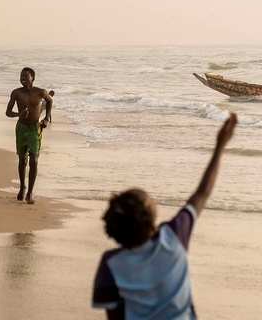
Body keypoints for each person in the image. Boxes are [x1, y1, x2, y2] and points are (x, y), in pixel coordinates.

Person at [92, 113, 237, 320]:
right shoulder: (172, 237)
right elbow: (203, 192)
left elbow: (114, 316)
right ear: (148, 216)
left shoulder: (111, 263)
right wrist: (220, 146)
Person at [5, 68, 53, 204]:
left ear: (33, 77)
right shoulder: (16, 93)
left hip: (34, 128)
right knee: (22, 160)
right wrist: (18, 114)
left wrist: (47, 119)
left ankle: (30, 192)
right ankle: (22, 186)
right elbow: (7, 112)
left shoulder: (41, 92)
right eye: (21, 76)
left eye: (26, 76)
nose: (23, 78)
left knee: (34, 160)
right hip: (21, 128)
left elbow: (50, 101)